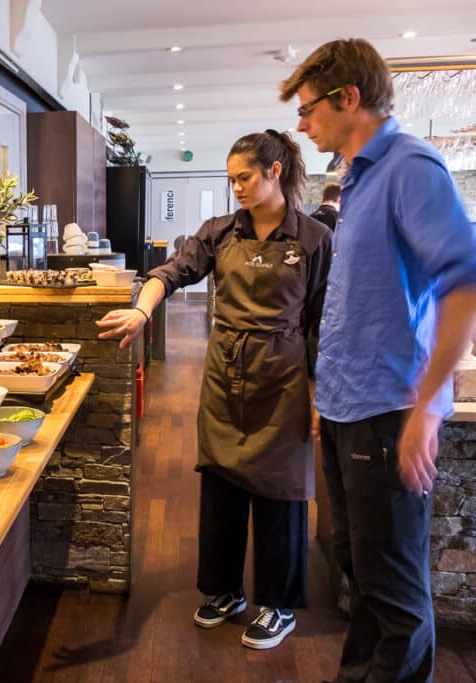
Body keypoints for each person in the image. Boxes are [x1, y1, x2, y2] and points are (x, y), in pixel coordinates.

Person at [280, 38, 476, 682]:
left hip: (389, 411)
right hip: (345, 409)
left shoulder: (412, 168)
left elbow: (464, 283)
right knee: (357, 569)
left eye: (308, 109)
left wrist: (425, 408)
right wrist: (324, 400)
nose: (302, 125)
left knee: (393, 592)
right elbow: (353, 305)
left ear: (349, 98)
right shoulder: (358, 179)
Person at [97, 130, 332, 650]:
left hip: (284, 377)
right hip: (225, 375)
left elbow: (320, 324)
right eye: (231, 180)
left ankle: (280, 604)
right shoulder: (219, 232)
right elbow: (170, 273)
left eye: (244, 177)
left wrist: (319, 395)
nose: (237, 189)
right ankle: (225, 590)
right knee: (221, 484)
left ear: (274, 172)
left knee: (281, 491)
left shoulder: (313, 238)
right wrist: (141, 309)